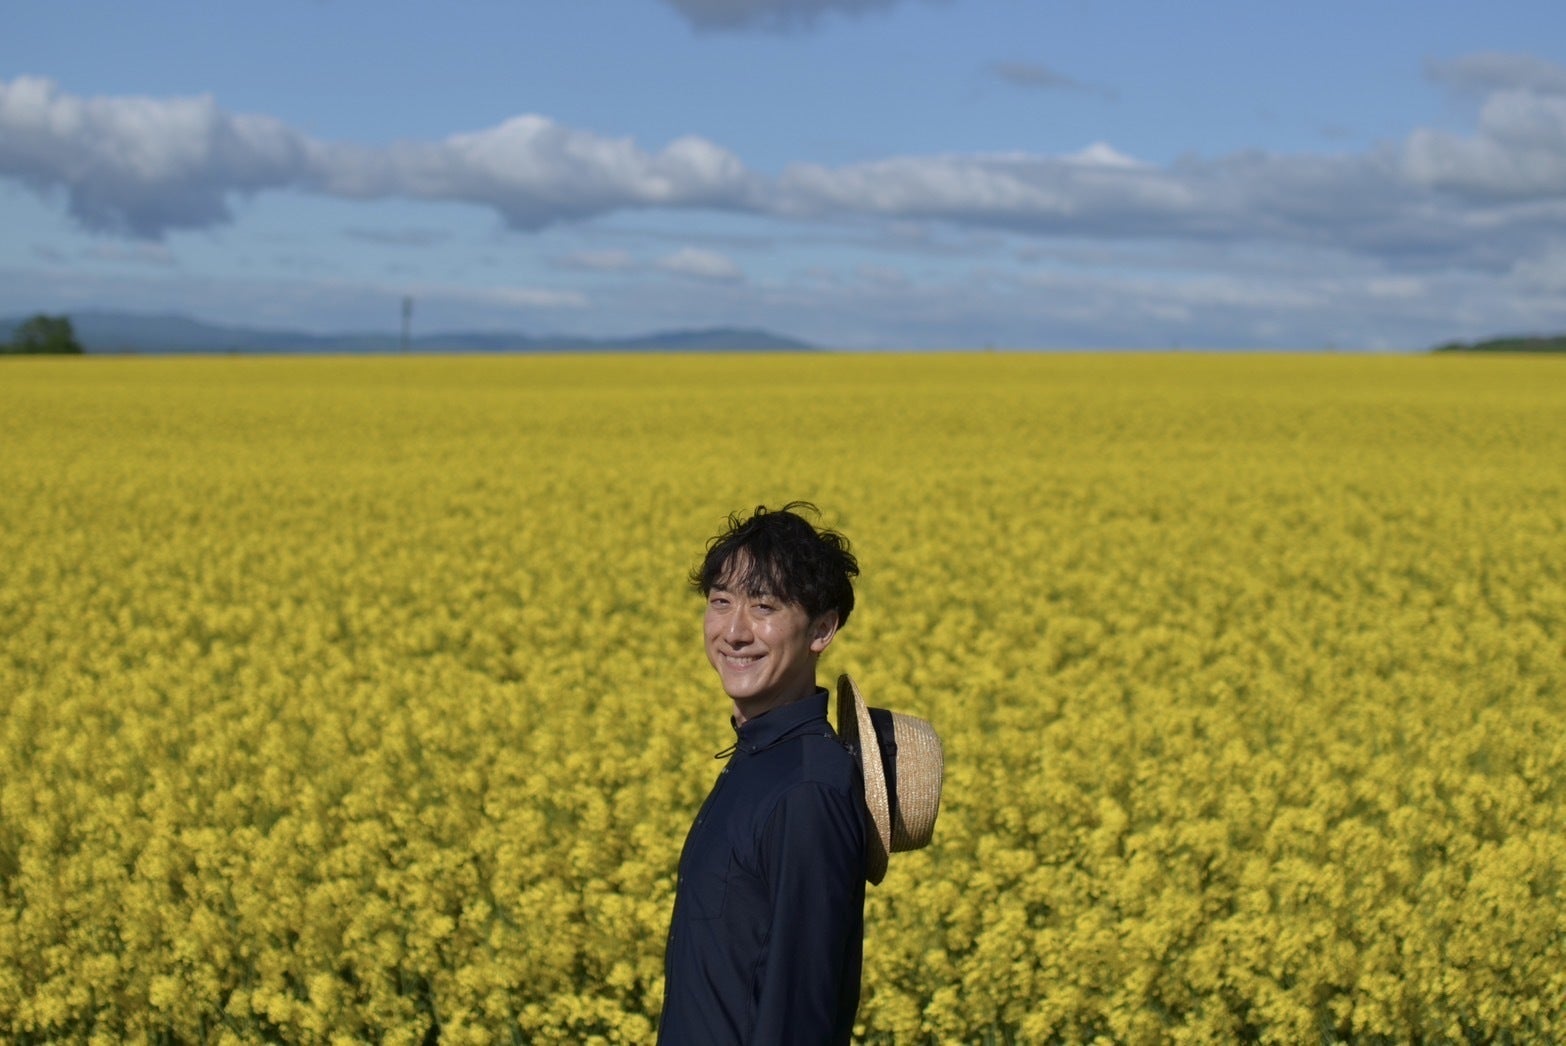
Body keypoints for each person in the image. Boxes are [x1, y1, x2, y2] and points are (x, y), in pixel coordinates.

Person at [657, 502, 866, 1045]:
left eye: (764, 606)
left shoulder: (807, 790)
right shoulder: (759, 758)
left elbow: (800, 1011)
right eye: (720, 602)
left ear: (822, 629)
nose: (734, 631)